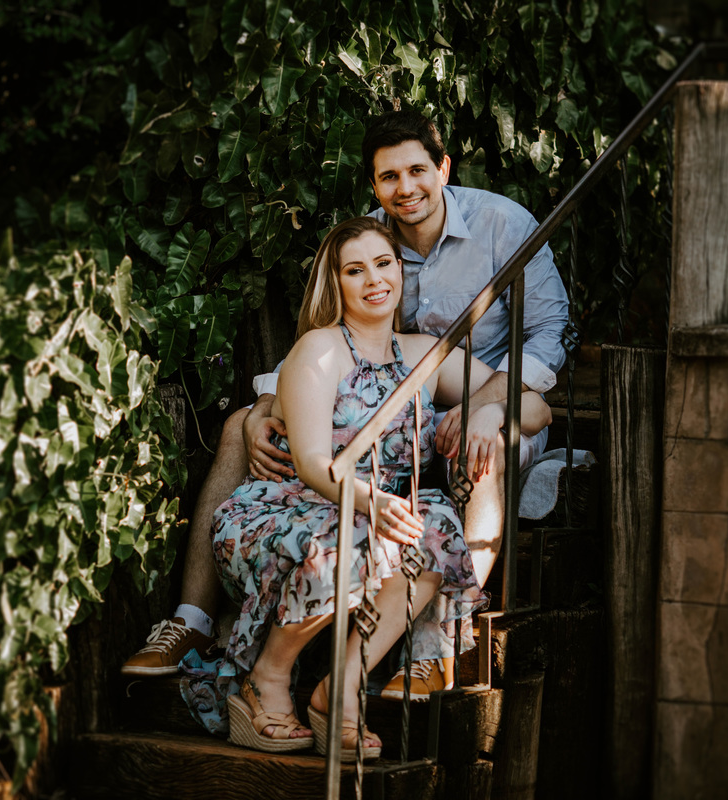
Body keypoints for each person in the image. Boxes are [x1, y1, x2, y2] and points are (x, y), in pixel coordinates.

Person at [122, 110, 569, 699]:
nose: (405, 188)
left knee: (480, 448)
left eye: (417, 171)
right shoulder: (371, 237)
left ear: (443, 169)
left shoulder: (501, 225)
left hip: (481, 395)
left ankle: (441, 643)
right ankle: (192, 620)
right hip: (391, 405)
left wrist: (488, 405)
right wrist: (264, 406)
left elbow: (549, 335)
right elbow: (329, 340)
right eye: (389, 177)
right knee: (238, 424)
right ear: (374, 185)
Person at [179, 217, 552, 758]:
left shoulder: (423, 355)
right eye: (355, 270)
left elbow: (537, 407)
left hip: (370, 514)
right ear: (336, 282)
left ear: (400, 270)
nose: (374, 279)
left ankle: (340, 689)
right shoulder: (320, 349)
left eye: (383, 264)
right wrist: (372, 502)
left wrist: (492, 412)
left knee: (435, 526)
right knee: (361, 538)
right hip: (285, 513)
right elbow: (312, 463)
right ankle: (266, 677)